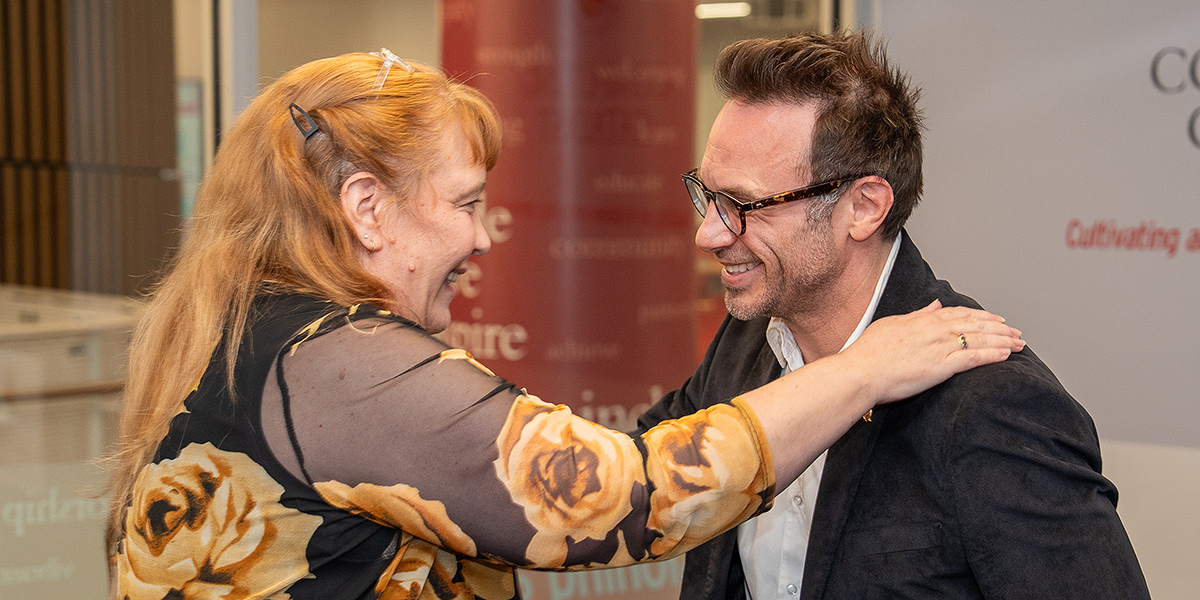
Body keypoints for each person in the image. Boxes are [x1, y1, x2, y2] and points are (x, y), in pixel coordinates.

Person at [105, 49, 1023, 600]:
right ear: (367, 210)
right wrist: (859, 371)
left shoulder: (260, 334)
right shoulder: (338, 365)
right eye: (464, 202)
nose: (479, 234)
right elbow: (621, 496)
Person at [637, 31, 1150, 600]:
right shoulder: (744, 341)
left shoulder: (993, 408)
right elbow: (635, 482)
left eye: (741, 206)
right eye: (705, 196)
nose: (708, 232)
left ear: (864, 207)